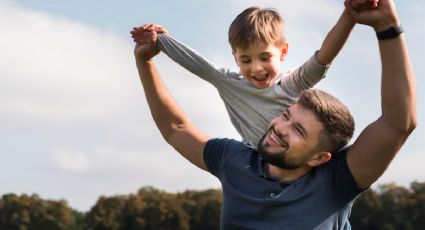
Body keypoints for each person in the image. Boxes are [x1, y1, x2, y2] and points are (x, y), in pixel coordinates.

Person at [132, 0, 416, 228]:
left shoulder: (336, 182)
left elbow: (397, 124)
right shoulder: (234, 161)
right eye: (286, 115)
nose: (280, 127)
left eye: (299, 131)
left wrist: (387, 28)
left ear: (320, 157)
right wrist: (144, 62)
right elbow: (176, 128)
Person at [131, 1, 378, 149]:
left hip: (306, 164)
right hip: (261, 166)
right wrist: (160, 40)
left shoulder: (290, 84)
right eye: (246, 60)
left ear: (283, 52)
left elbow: (324, 56)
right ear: (235, 57)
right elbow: (196, 63)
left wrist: (350, 15)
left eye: (265, 57)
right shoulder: (229, 83)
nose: (256, 68)